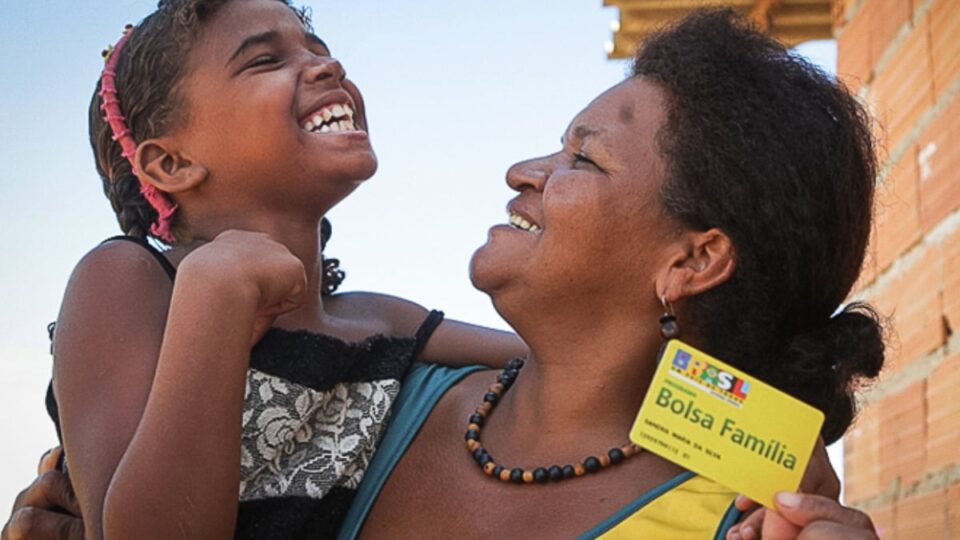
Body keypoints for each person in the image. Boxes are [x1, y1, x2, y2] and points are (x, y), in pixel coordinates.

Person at [5, 7, 884, 540]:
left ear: (694, 258)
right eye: (264, 57)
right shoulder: (393, 396)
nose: (521, 170)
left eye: (583, 156)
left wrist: (777, 450)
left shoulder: (733, 520)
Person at [36, 0, 525, 538]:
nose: (328, 67)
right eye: (265, 61)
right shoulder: (130, 280)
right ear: (171, 164)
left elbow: (571, 365)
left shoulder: (379, 319)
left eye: (320, 51)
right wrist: (214, 297)